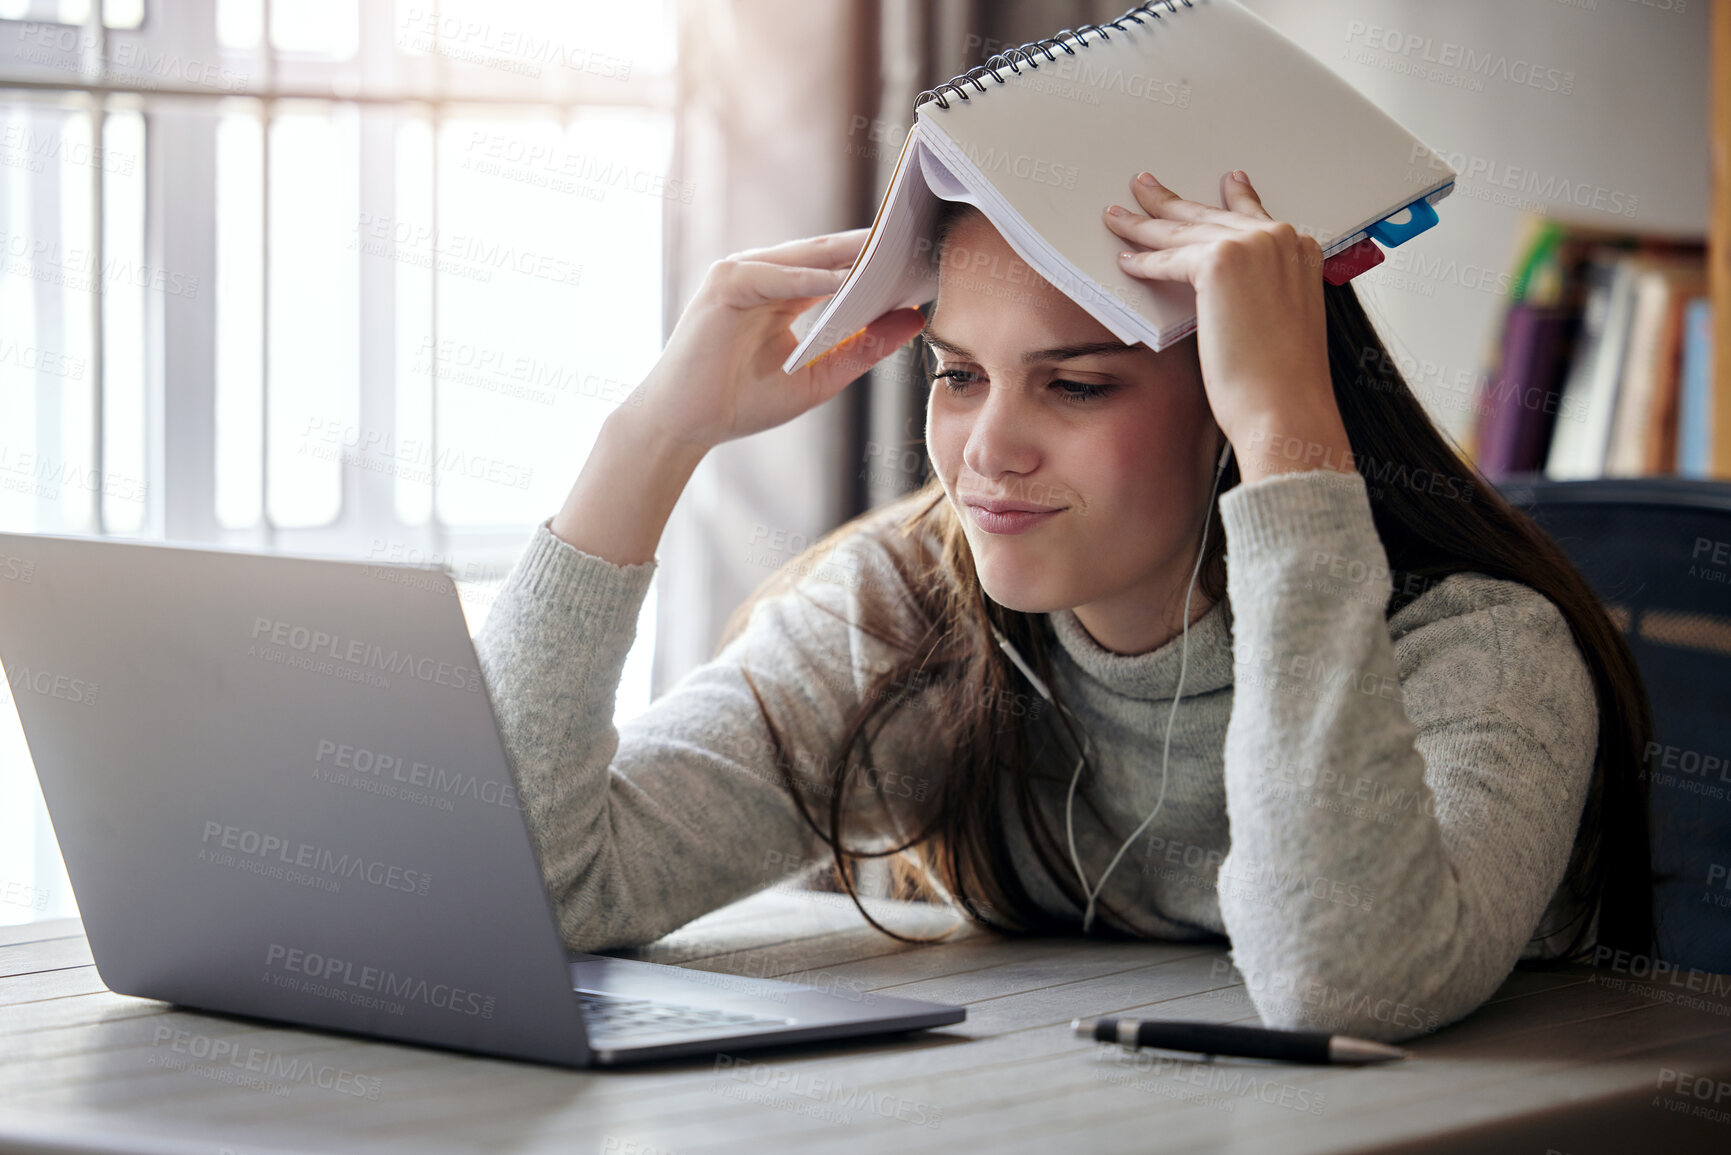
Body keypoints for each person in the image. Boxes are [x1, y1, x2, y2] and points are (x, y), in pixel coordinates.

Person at [473, 169, 1654, 1042]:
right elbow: (532, 893)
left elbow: (1349, 985)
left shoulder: (1479, 650)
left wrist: (1296, 446)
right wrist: (649, 441)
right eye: (957, 374)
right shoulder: (908, 610)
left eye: (1077, 384)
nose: (987, 452)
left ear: (1236, 405)